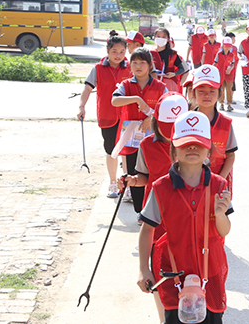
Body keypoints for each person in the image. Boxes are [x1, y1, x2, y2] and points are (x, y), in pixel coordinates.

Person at [137, 111, 232, 324]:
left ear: (208, 148)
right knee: (174, 319)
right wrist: (144, 269)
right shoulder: (161, 187)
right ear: (173, 149)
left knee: (212, 319)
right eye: (185, 143)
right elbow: (147, 230)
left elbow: (224, 230)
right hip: (173, 272)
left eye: (198, 143)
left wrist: (219, 215)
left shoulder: (219, 185)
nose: (192, 148)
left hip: (212, 272)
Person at [120, 91, 186, 323]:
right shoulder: (147, 144)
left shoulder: (191, 146)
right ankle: (163, 319)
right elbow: (144, 176)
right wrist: (132, 180)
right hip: (157, 218)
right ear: (156, 120)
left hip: (185, 217)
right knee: (159, 274)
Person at [111, 48, 169, 214]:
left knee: (152, 173)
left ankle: (153, 210)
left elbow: (169, 108)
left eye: (142, 62)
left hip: (154, 139)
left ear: (150, 65)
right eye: (134, 62)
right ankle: (139, 212)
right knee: (133, 174)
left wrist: (152, 118)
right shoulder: (126, 85)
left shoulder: (160, 87)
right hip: (131, 140)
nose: (138, 66)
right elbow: (115, 100)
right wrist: (136, 98)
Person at [77, 31, 132, 198]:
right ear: (108, 51)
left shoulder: (130, 68)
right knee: (111, 151)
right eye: (114, 51)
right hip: (107, 116)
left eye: (122, 52)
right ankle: (113, 183)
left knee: (127, 151)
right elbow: (87, 88)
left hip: (128, 117)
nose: (118, 55)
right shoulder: (98, 69)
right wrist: (81, 106)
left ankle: (129, 186)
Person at [191, 65, 238, 195]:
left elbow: (230, 155)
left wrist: (219, 180)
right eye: (201, 90)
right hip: (190, 183)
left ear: (220, 93)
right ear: (193, 93)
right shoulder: (186, 121)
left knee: (217, 214)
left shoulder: (226, 123)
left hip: (218, 182)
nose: (207, 95)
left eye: (212, 91)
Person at [155, 28, 189, 92]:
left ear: (168, 39)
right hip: (154, 84)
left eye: (163, 37)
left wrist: (174, 74)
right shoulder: (150, 54)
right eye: (158, 36)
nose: (160, 39)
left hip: (170, 85)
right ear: (154, 38)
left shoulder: (173, 54)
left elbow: (183, 69)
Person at [214, 37, 238, 112]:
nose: (227, 47)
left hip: (229, 74)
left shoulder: (232, 55)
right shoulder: (219, 54)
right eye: (226, 45)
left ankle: (229, 104)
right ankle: (221, 104)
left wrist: (230, 69)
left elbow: (233, 64)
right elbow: (215, 63)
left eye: (229, 46)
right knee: (221, 89)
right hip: (220, 74)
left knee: (229, 89)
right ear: (223, 45)